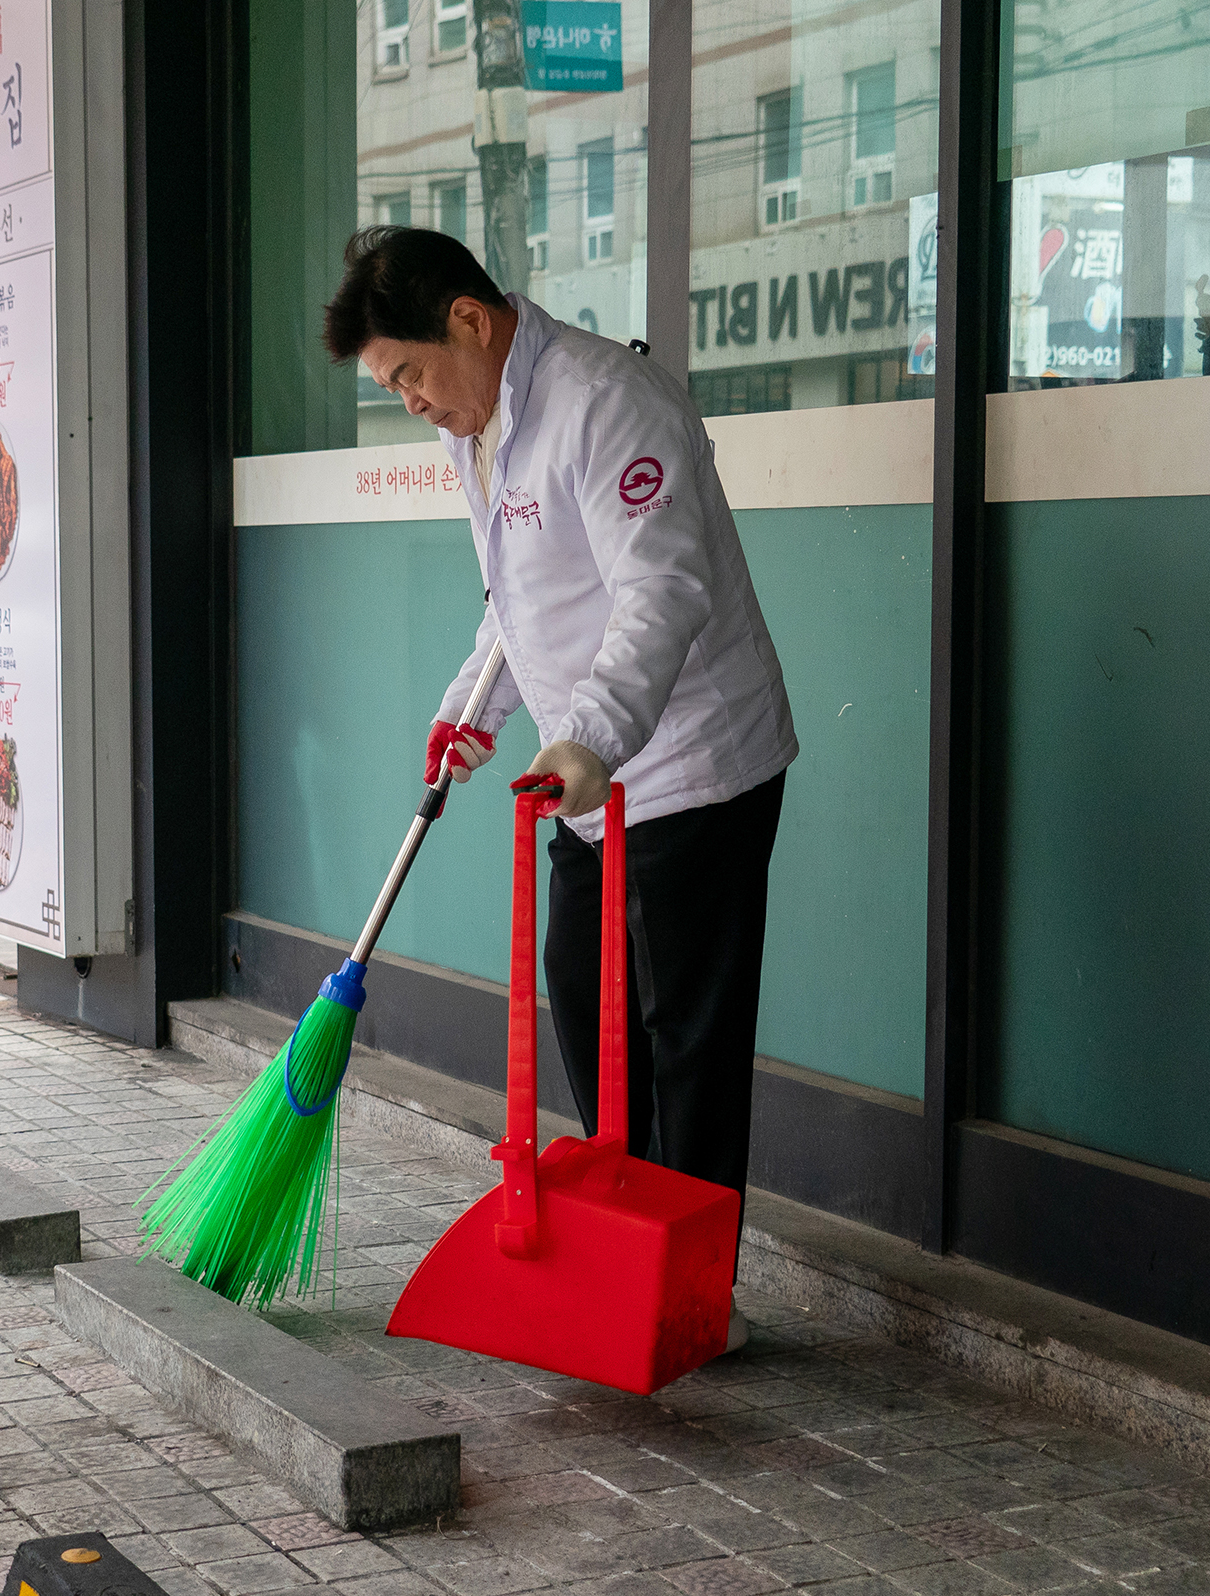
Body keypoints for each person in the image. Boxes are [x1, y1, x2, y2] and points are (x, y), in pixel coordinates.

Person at [324, 227, 797, 1345]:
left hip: (691, 763)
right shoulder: (483, 424)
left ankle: (694, 1301)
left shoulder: (604, 401)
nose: (411, 405)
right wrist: (470, 711)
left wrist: (586, 735)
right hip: (589, 780)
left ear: (469, 322)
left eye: (407, 375)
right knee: (585, 994)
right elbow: (519, 600)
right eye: (389, 388)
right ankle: (635, 1252)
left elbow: (660, 591)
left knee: (684, 1038)